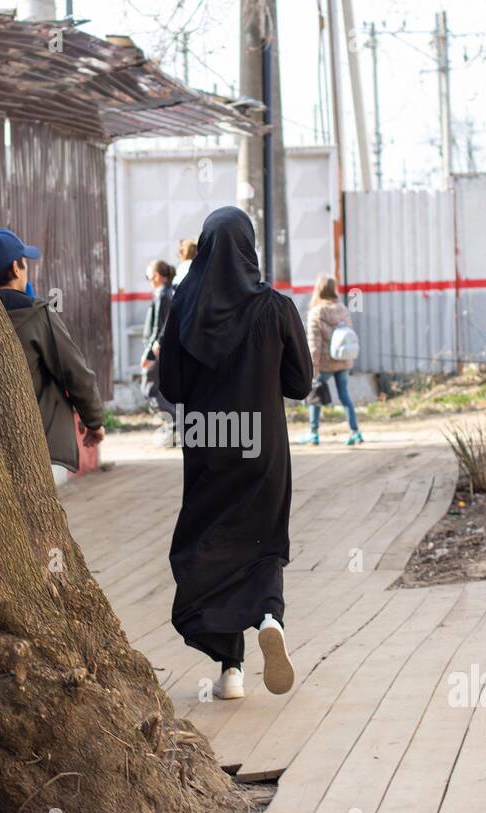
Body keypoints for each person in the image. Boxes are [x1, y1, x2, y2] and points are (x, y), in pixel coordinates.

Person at [158, 207, 313, 700]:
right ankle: (270, 616)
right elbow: (301, 384)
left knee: (208, 543)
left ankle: (231, 671)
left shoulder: (182, 305)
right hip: (262, 445)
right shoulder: (276, 307)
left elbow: (172, 386)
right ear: (249, 248)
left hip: (208, 444)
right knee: (262, 539)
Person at [0, 227, 105, 471]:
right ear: (15, 268)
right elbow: (75, 372)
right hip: (39, 441)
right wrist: (94, 421)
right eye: (24, 262)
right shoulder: (38, 314)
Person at [302, 274, 364, 446]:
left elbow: (314, 343)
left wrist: (312, 367)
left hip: (324, 363)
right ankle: (355, 432)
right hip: (342, 360)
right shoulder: (342, 309)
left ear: (318, 289)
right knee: (345, 395)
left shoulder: (317, 312)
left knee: (315, 394)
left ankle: (313, 434)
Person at [141, 260, 178, 447]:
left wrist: (148, 354)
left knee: (149, 390)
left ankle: (176, 422)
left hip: (156, 349)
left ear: (156, 276)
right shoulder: (166, 292)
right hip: (160, 348)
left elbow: (159, 326)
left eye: (149, 276)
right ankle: (173, 427)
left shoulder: (163, 295)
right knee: (155, 390)